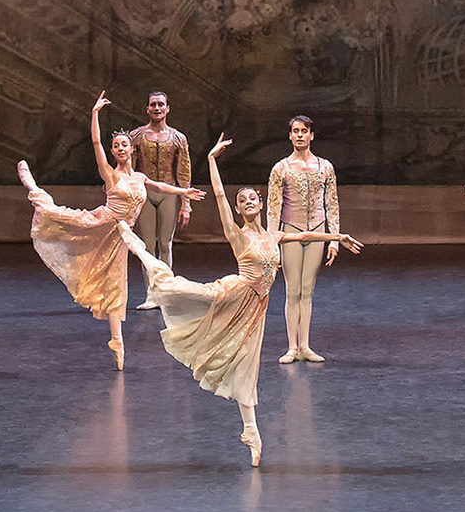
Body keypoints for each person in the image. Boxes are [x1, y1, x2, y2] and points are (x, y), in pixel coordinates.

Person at [120, 135, 362, 465]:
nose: (247, 202)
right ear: (238, 209)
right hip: (233, 294)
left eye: (252, 198)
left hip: (255, 310)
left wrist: (338, 236)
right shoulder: (237, 234)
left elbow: (305, 234)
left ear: (260, 204)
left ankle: (251, 432)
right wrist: (212, 160)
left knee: (246, 367)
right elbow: (219, 196)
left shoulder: (274, 234)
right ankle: (136, 247)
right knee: (175, 287)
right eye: (242, 201)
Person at [20, 93, 203, 369]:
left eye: (123, 145)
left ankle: (117, 341)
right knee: (61, 217)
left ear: (132, 150)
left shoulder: (139, 177)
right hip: (102, 222)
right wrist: (95, 113)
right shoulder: (110, 174)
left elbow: (160, 186)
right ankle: (35, 190)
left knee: (116, 285)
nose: (119, 148)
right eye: (116, 146)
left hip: (121, 236)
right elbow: (95, 142)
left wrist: (183, 192)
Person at [267, 115, 345, 363]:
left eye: (304, 131)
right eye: (295, 131)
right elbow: (273, 207)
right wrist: (272, 242)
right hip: (290, 230)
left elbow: (332, 204)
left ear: (312, 135)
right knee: (292, 290)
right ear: (290, 135)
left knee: (307, 290)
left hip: (317, 229)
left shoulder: (325, 167)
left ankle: (305, 346)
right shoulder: (281, 168)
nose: (299, 135)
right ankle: (292, 347)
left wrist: (334, 239)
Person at [126, 91, 192, 310]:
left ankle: (166, 292)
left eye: (160, 104)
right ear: (147, 109)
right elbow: (128, 169)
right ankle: (151, 294)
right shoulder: (136, 136)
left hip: (168, 193)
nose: (157, 108)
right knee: (147, 246)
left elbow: (183, 171)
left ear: (167, 108)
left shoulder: (178, 138)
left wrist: (186, 203)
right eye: (153, 104)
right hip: (145, 193)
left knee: (165, 243)